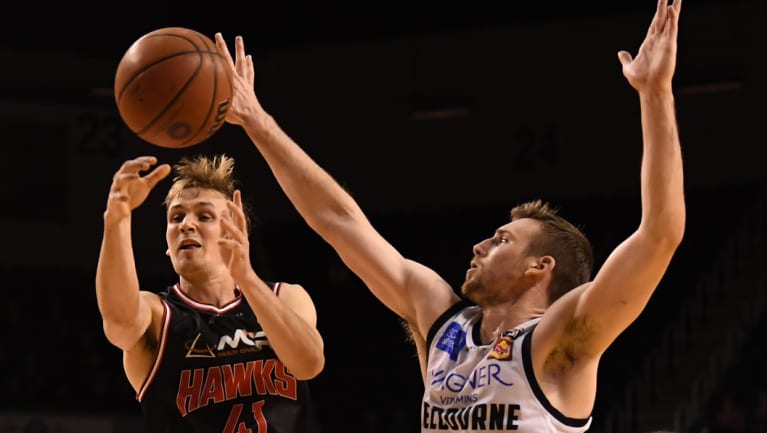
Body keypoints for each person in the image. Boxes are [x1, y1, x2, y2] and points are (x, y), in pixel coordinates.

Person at [215, 0, 685, 430]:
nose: (479, 246)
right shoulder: (443, 323)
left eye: (502, 240)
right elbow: (337, 221)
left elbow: (660, 234)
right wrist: (258, 123)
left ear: (540, 267)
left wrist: (655, 92)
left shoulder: (560, 339)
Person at [95, 153, 325, 433]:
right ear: (167, 245)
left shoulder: (286, 297)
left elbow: (309, 363)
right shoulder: (158, 315)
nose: (186, 225)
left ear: (234, 231)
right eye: (176, 217)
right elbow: (118, 322)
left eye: (204, 215)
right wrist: (117, 218)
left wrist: (246, 277)